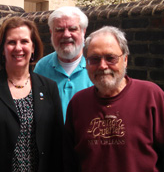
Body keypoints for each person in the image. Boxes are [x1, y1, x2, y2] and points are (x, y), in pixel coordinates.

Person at [0, 16, 64, 172]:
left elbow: (57, 143)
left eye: (24, 41)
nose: (18, 48)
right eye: (11, 42)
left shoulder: (49, 88)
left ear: (33, 47)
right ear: (2, 48)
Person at [64, 26, 164, 172]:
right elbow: (69, 161)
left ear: (125, 60)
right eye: (94, 59)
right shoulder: (78, 103)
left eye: (111, 58)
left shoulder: (151, 96)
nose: (103, 66)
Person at [34, 6, 93, 122]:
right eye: (60, 30)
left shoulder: (97, 65)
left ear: (83, 31)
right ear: (51, 33)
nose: (66, 35)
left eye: (72, 29)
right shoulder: (41, 67)